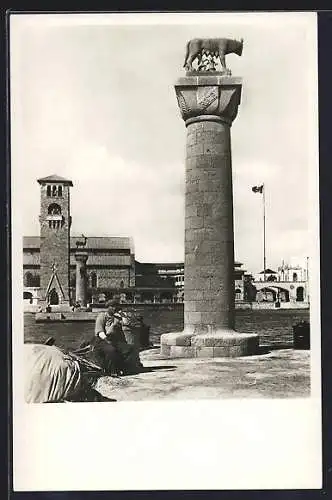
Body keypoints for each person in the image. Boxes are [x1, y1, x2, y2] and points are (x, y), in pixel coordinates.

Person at [93, 300, 143, 375]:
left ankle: (125, 369)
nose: (114, 308)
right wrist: (106, 339)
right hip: (103, 340)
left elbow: (126, 323)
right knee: (111, 350)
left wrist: (122, 315)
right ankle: (112, 371)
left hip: (114, 340)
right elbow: (100, 331)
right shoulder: (102, 316)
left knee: (129, 349)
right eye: (112, 306)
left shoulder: (117, 317)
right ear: (108, 307)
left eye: (115, 306)